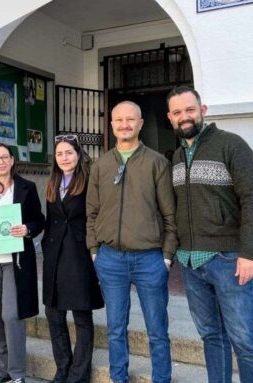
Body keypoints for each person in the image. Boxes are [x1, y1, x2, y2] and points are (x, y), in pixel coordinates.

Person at [167, 86, 253, 383]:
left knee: (245, 340)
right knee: (212, 336)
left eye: (189, 109)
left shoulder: (231, 145)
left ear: (203, 110)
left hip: (228, 260)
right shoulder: (175, 157)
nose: (184, 117)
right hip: (190, 261)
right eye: (177, 112)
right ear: (170, 118)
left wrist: (249, 253)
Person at [86, 101, 177, 383]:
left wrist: (166, 256)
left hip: (150, 259)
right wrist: (94, 251)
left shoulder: (157, 163)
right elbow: (91, 212)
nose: (124, 125)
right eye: (119, 120)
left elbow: (170, 215)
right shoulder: (101, 165)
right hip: (110, 258)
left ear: (140, 124)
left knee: (157, 330)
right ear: (111, 125)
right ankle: (118, 378)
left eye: (130, 120)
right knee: (115, 328)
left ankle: (161, 379)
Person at [0, 143, 45, 383]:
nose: (1, 162)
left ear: (12, 160)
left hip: (17, 262)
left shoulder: (27, 188)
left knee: (12, 315)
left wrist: (27, 229)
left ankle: (17, 373)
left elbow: (39, 220)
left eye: (4, 157)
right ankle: (2, 371)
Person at [41, 134, 104, 383]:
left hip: (79, 256)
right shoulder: (52, 182)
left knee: (81, 315)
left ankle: (79, 375)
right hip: (54, 255)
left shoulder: (89, 180)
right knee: (53, 314)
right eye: (59, 154)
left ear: (78, 154)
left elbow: (95, 217)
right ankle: (63, 369)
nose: (64, 158)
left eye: (69, 152)